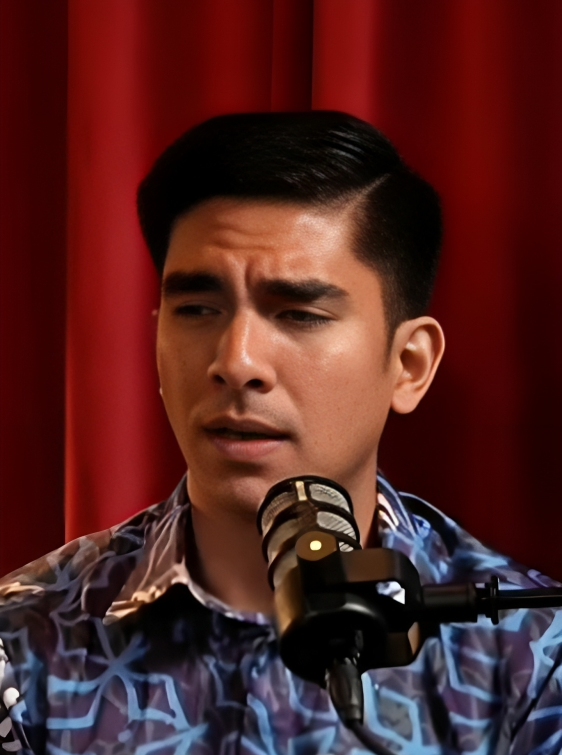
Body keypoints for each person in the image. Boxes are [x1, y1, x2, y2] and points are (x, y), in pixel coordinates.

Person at [0, 111, 560, 755]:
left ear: (408, 365)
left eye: (299, 314)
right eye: (197, 309)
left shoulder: (532, 654)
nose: (236, 362)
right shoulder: (24, 637)